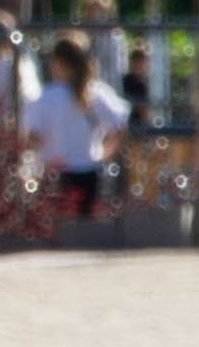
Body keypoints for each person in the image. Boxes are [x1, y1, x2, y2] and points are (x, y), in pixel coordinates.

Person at [24, 32, 126, 216]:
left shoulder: (48, 96)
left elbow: (32, 136)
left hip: (57, 171)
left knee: (58, 224)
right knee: (87, 224)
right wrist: (104, 154)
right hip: (90, 170)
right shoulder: (97, 93)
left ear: (58, 63)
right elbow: (120, 126)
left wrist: (44, 154)